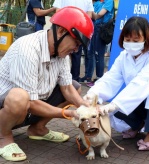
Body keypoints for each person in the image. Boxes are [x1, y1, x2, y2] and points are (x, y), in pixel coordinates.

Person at [0, 7, 94, 162]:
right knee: (20, 97)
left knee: (75, 87)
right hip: (8, 108)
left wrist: (85, 106)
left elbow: (67, 88)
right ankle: (3, 136)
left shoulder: (61, 54)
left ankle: (37, 129)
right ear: (61, 31)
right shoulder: (28, 49)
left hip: (30, 106)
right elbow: (30, 101)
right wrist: (68, 114)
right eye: (76, 43)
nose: (76, 49)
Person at [83, 16, 149, 151]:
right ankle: (136, 125)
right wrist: (93, 94)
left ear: (146, 38)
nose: (131, 43)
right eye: (127, 39)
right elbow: (111, 78)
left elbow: (141, 83)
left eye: (136, 40)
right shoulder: (124, 56)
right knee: (117, 107)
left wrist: (114, 105)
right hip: (136, 101)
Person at [53, 0, 94, 82]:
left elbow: (58, 11)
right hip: (77, 30)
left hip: (65, 28)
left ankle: (66, 79)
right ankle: (74, 79)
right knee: (74, 55)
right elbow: (89, 16)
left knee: (61, 52)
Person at [80, 0, 114, 87]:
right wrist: (94, 14)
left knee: (99, 55)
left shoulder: (109, 1)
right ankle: (89, 77)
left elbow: (99, 14)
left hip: (102, 29)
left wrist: (93, 14)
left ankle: (99, 78)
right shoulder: (97, 2)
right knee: (91, 53)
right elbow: (92, 14)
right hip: (94, 28)